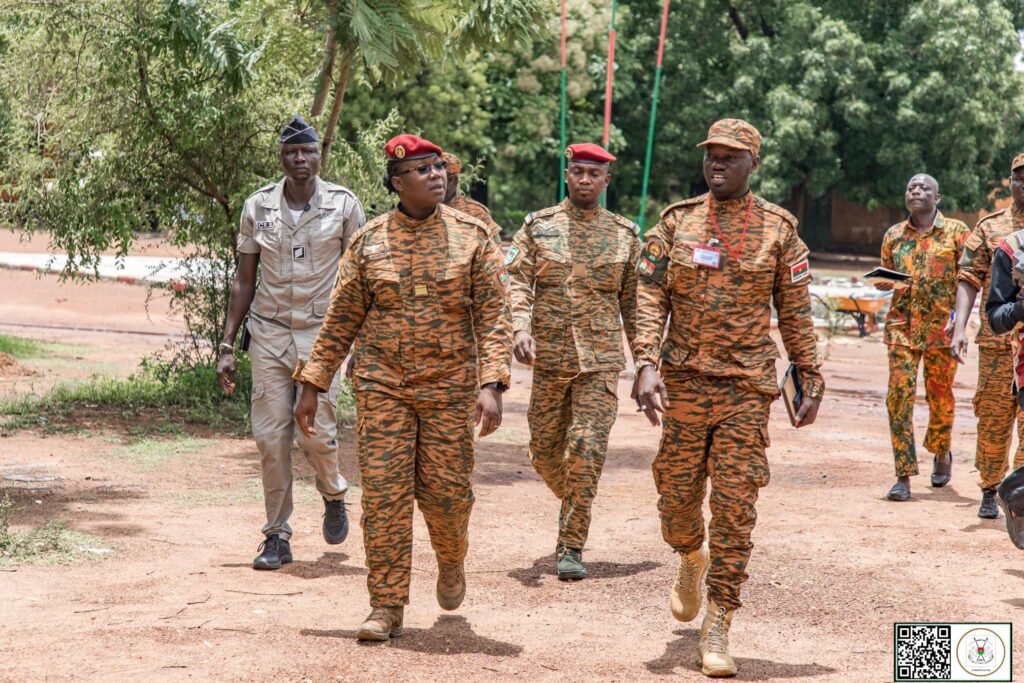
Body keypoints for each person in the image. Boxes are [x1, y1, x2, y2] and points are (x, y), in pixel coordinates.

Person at [292, 134, 512, 641]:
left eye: (437, 166)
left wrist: (491, 383)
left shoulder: (472, 236)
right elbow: (340, 320)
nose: (436, 175)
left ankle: (451, 558)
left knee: (447, 497)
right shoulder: (368, 242)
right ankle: (386, 605)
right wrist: (313, 383)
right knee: (386, 499)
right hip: (382, 387)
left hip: (449, 389)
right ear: (397, 183)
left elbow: (495, 315)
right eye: (422, 169)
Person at [633, 118, 823, 678]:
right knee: (674, 499)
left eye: (730, 157)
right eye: (711, 155)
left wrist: (808, 376)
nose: (717, 164)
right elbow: (649, 294)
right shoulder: (675, 222)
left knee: (736, 509)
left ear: (752, 163)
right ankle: (690, 556)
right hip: (685, 383)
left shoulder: (779, 230)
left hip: (746, 389)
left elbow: (795, 313)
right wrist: (645, 361)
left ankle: (719, 621)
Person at [217, 115, 364, 570]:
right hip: (269, 332)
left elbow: (360, 281)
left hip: (324, 337)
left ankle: (333, 491)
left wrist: (359, 343)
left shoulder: (344, 206)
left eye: (308, 151)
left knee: (315, 432)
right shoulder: (258, 207)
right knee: (269, 436)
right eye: (291, 153)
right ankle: (276, 535)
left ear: (320, 155)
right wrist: (226, 345)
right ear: (281, 158)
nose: (300, 159)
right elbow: (244, 279)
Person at [505, 142, 641, 581]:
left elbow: (637, 306)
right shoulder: (538, 228)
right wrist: (520, 327)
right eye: (578, 172)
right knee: (544, 453)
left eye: (594, 174)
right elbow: (518, 281)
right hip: (549, 359)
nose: (585, 180)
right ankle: (580, 497)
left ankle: (571, 546)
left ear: (606, 181)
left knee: (585, 448)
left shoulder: (625, 235)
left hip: (599, 363)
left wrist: (646, 365)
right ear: (567, 175)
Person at [877, 174, 968, 502]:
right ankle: (903, 475)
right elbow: (886, 271)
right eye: (911, 187)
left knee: (940, 400)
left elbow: (967, 281)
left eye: (924, 188)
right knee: (897, 400)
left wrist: (959, 326)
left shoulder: (957, 232)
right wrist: (884, 281)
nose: (916, 191)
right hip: (901, 329)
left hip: (941, 332)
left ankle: (941, 451)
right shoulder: (894, 235)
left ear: (937, 197)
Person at [951, 154, 1024, 518]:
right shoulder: (990, 227)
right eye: (1018, 177)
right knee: (994, 419)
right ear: (1009, 181)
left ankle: (1020, 495)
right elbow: (968, 278)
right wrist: (960, 328)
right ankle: (990, 486)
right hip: (998, 345)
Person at [442, 152, 503, 245]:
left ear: (451, 180)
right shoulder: (421, 208)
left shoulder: (475, 211)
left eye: (437, 177)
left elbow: (496, 245)